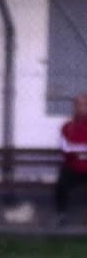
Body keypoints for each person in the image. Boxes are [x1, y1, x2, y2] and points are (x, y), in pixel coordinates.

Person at [54, 92, 87, 226]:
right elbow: (65, 149)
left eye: (84, 104)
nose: (80, 108)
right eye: (77, 104)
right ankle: (61, 214)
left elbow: (74, 149)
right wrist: (80, 151)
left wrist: (77, 150)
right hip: (73, 167)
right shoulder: (67, 126)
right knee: (61, 182)